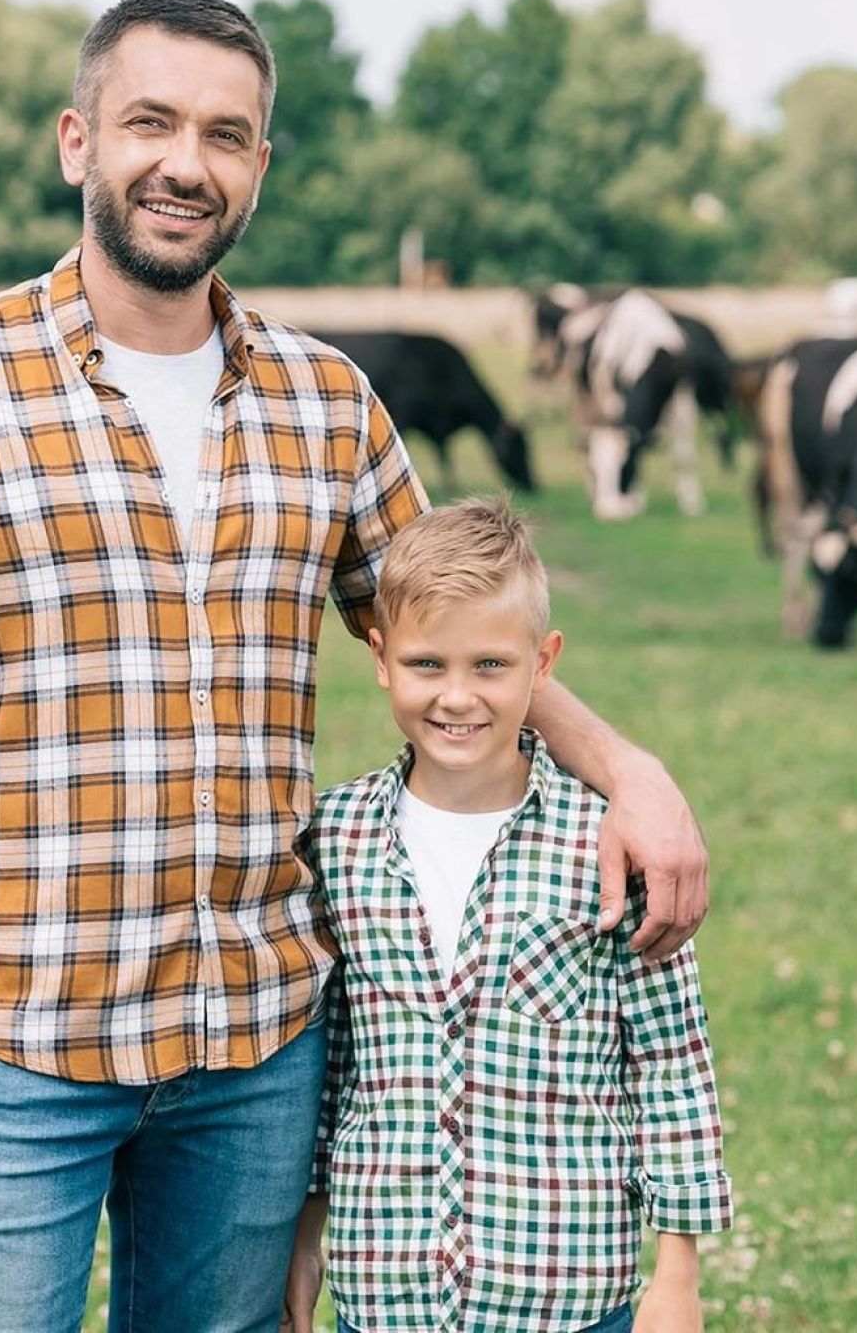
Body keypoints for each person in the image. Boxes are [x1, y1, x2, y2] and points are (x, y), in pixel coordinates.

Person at [0, 0, 709, 1332]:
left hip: (253, 1050)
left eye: (226, 135)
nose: (185, 163)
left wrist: (628, 771)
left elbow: (451, 631)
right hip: (11, 1042)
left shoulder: (323, 401)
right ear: (76, 142)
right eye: (149, 122)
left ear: (259, 169)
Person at [285, 500, 730, 1333]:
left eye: (491, 664)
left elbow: (671, 1065)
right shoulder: (336, 840)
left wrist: (676, 1279)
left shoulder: (607, 843)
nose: (458, 697)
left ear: (543, 663)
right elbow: (332, 1069)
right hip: (387, 1296)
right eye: (428, 664)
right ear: (380, 659)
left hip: (565, 1293)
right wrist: (305, 1243)